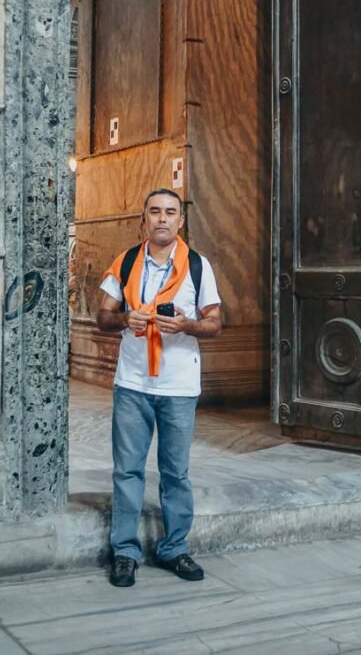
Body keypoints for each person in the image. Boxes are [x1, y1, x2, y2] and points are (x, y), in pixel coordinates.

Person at [97, 188, 222, 588]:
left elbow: (215, 323)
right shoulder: (126, 262)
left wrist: (186, 325)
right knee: (128, 470)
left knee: (175, 472)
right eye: (155, 212)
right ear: (144, 219)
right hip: (132, 383)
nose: (163, 219)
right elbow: (101, 316)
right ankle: (125, 553)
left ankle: (173, 549)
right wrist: (125, 319)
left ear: (181, 220)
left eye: (171, 212)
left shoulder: (199, 267)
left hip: (179, 385)